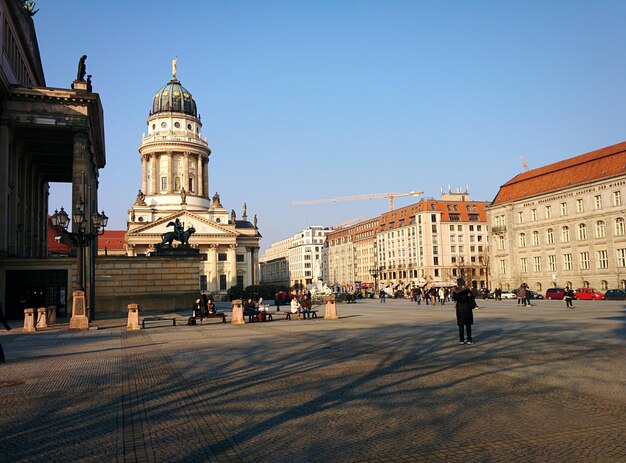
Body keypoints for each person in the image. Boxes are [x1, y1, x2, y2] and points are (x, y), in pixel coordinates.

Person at [452, 278, 476, 344]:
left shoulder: (455, 291)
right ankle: (469, 339)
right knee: (468, 325)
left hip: (459, 308)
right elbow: (472, 297)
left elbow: (454, 298)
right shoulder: (467, 290)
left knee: (461, 325)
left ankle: (461, 340)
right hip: (467, 307)